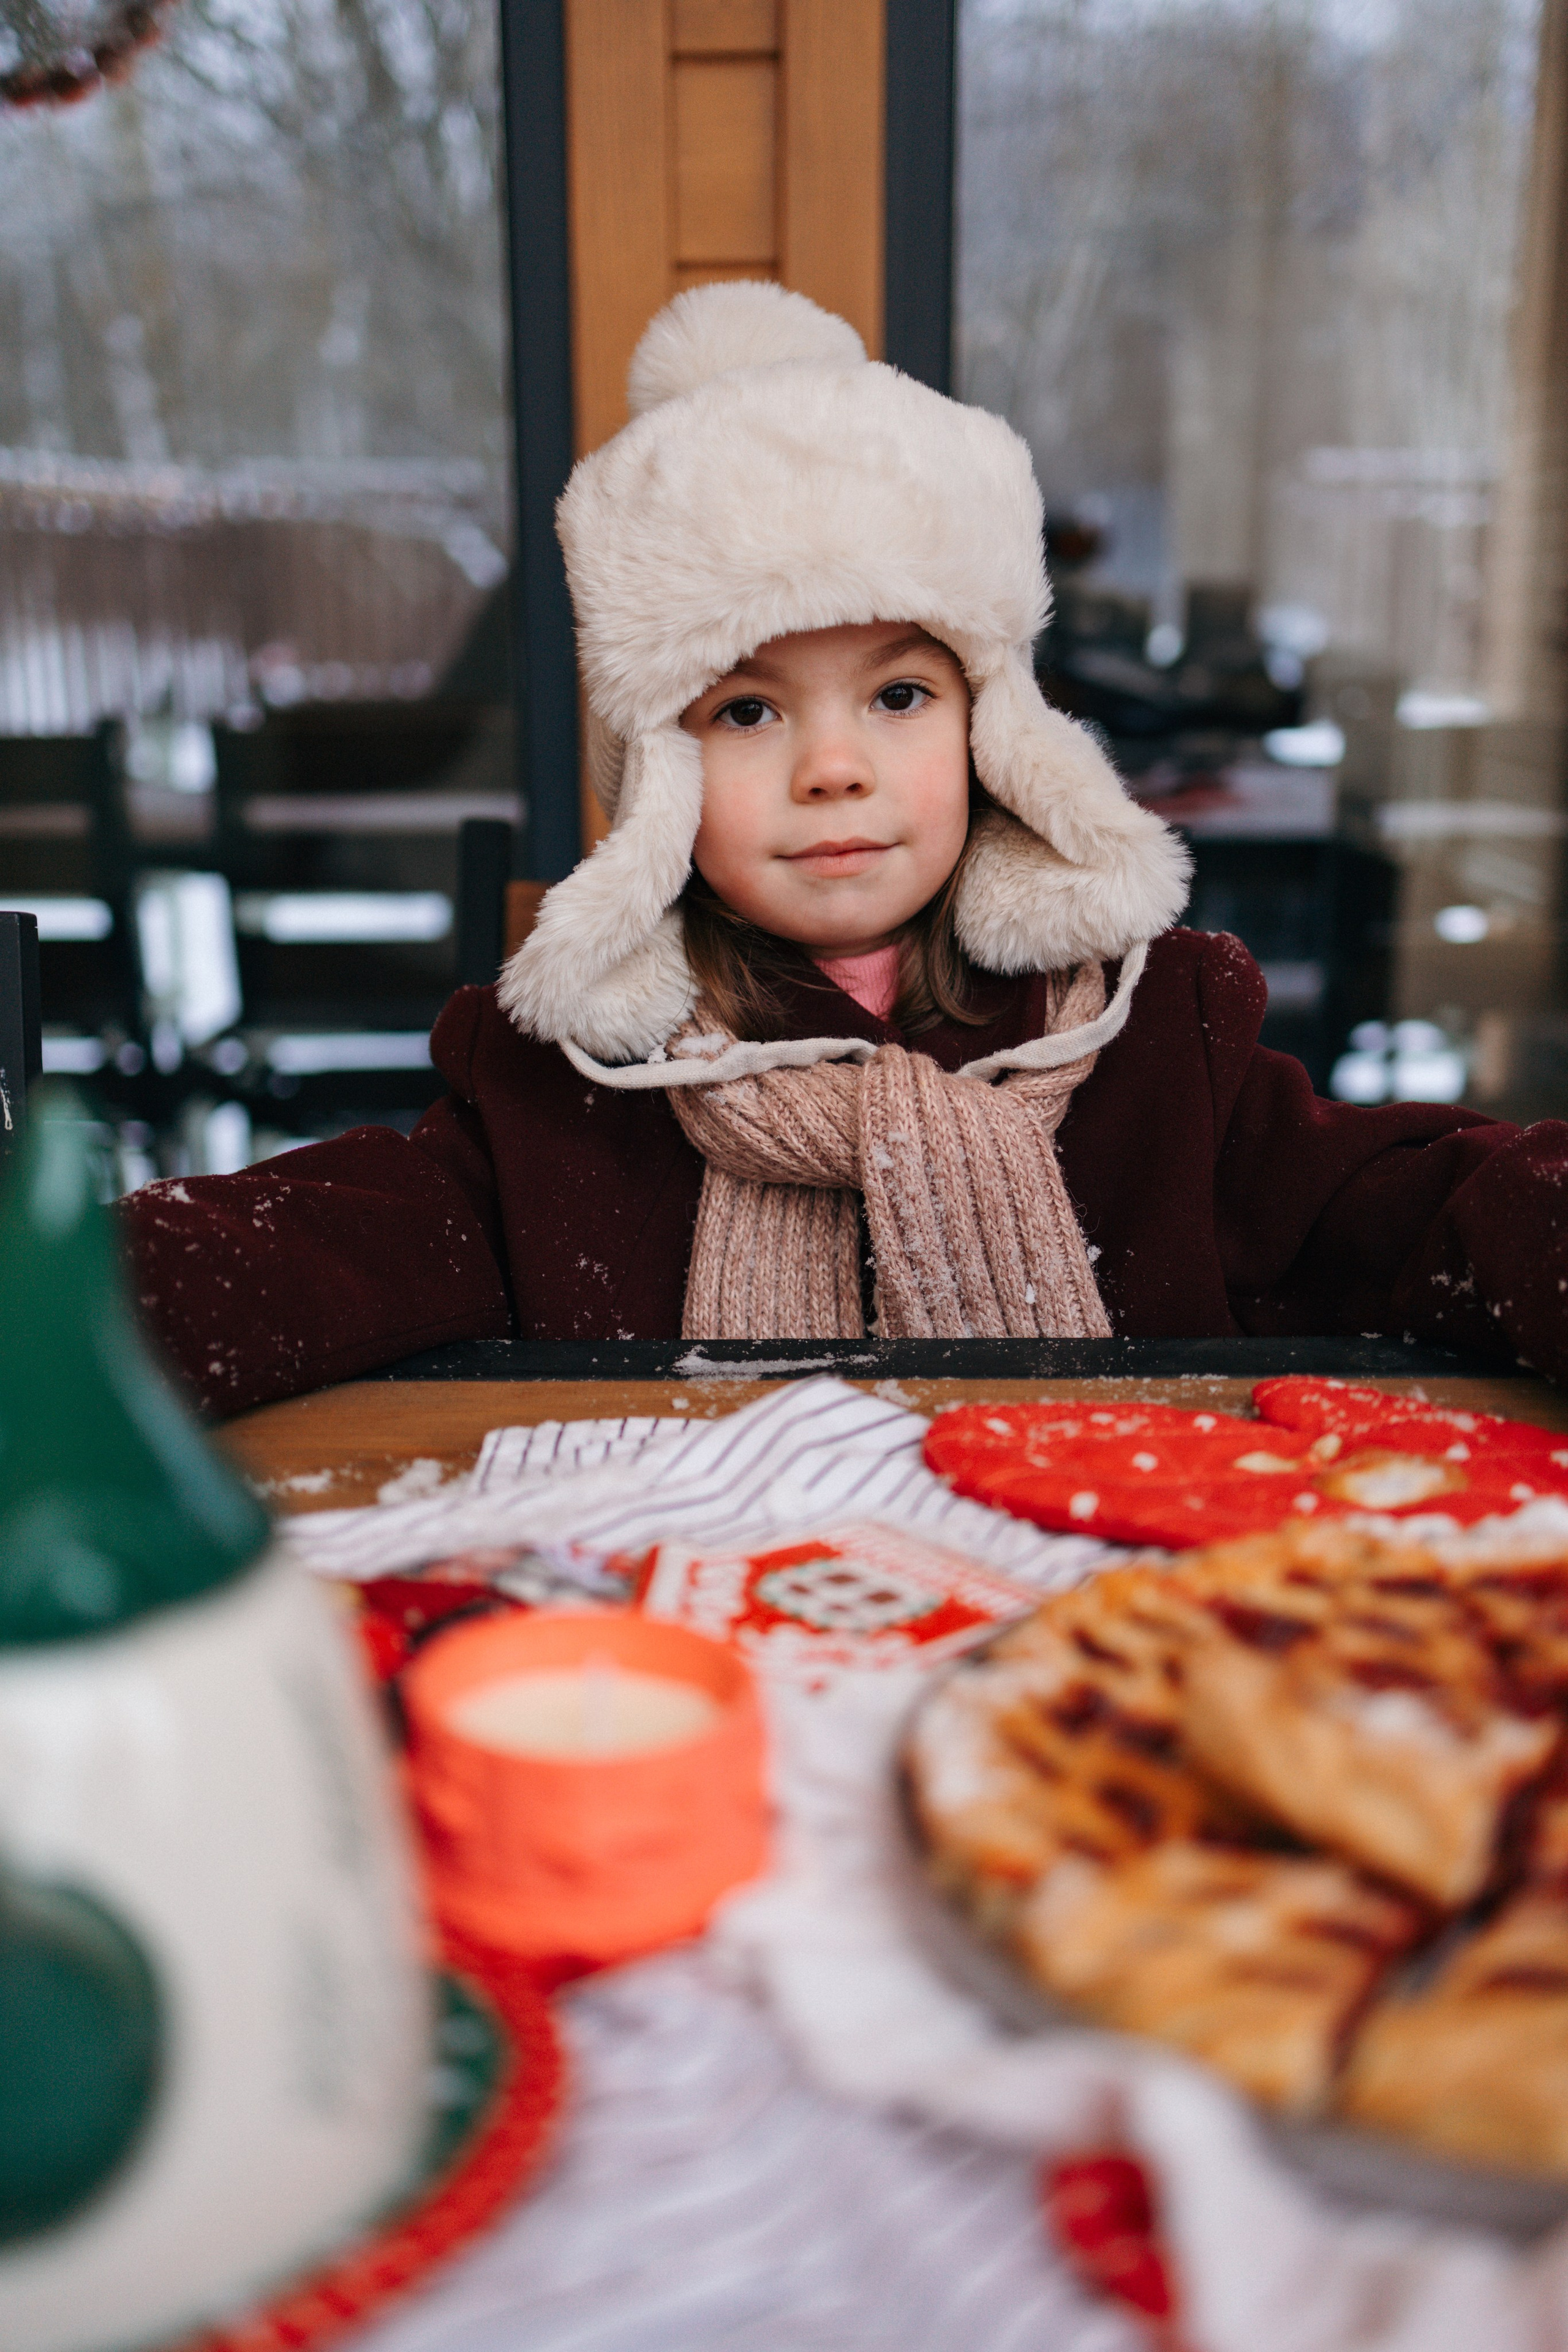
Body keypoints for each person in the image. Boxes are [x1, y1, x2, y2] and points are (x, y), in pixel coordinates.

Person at [121, 282, 1568, 1416]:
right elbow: (323, 1241)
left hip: (1083, 1661)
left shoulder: (1149, 1049)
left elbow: (1418, 1205)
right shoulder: (576, 1094)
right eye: (746, 708)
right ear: (664, 771)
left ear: (991, 730)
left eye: (897, 694)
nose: (833, 766)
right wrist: (77, 1303)